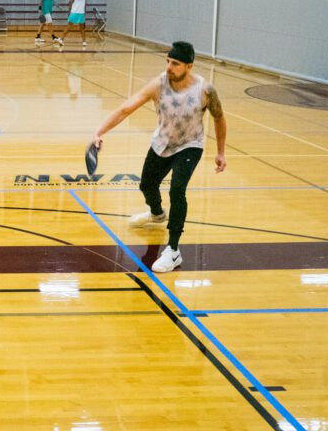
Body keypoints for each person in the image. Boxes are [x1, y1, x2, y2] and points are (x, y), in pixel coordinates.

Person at [91, 41, 227, 273]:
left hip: (190, 146)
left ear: (189, 66)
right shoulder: (158, 85)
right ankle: (156, 213)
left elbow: (219, 118)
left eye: (175, 63)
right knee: (146, 185)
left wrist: (221, 152)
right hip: (162, 143)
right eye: (167, 61)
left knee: (177, 189)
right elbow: (126, 108)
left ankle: (173, 250)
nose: (169, 67)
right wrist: (99, 132)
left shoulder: (205, 90)